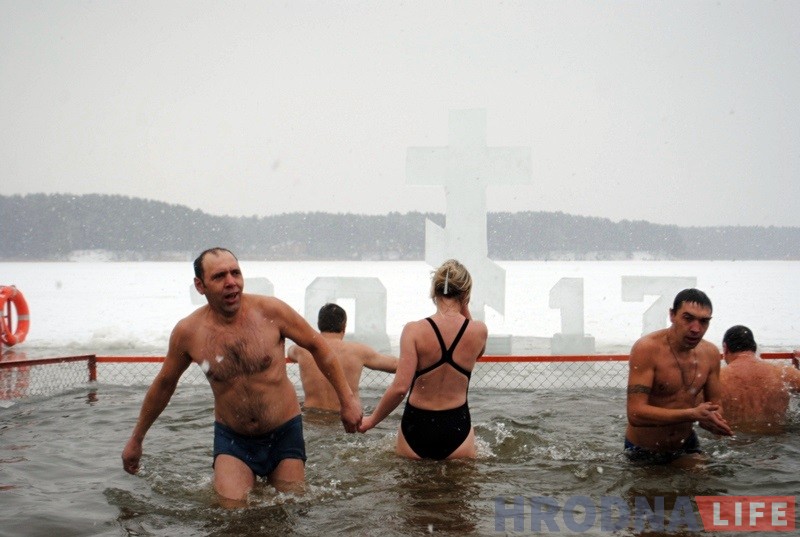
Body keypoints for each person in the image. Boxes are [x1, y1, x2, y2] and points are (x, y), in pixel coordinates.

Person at [121, 248, 361, 504]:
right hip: (233, 438)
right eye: (219, 276)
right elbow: (164, 384)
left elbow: (318, 346)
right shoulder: (189, 333)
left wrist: (347, 399)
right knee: (231, 512)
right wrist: (136, 439)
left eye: (235, 273)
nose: (231, 282)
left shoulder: (271, 311)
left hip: (283, 431)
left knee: (290, 509)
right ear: (200, 286)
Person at [358, 259, 488, 460]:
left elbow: (400, 388)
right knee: (460, 489)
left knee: (413, 488)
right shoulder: (479, 331)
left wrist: (371, 421)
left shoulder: (414, 331)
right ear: (466, 294)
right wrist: (465, 306)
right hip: (457, 425)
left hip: (416, 425)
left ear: (434, 292)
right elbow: (478, 353)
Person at [625, 288, 733, 465]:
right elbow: (635, 414)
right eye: (688, 318)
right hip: (644, 449)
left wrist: (713, 420)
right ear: (672, 315)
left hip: (686, 444)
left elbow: (716, 405)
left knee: (707, 483)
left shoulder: (710, 353)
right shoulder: (647, 349)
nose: (696, 329)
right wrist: (693, 414)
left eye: (704, 321)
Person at [287, 303, 398, 412]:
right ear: (344, 326)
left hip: (311, 416)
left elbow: (289, 352)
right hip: (348, 417)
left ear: (319, 324)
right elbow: (395, 365)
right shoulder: (358, 351)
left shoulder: (302, 349)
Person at [719, 325, 800, 434]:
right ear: (754, 347)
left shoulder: (716, 378)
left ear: (725, 348)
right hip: (776, 443)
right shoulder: (784, 373)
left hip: (732, 446)